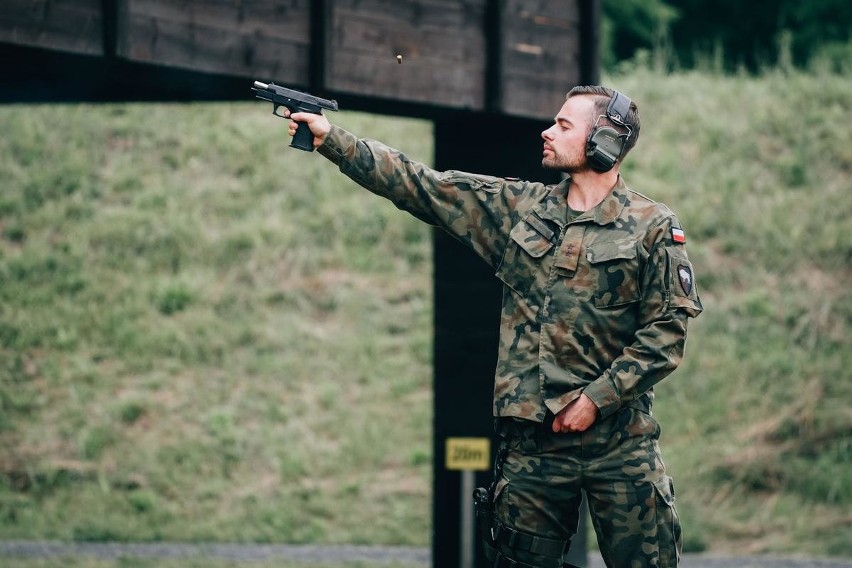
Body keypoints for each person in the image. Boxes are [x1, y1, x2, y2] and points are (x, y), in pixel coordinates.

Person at [282, 85, 703, 568]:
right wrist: (331, 138)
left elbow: (668, 330)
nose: (547, 132)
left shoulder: (651, 226)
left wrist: (595, 400)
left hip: (621, 448)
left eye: (564, 125)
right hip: (533, 449)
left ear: (603, 142)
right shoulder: (520, 209)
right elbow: (422, 185)